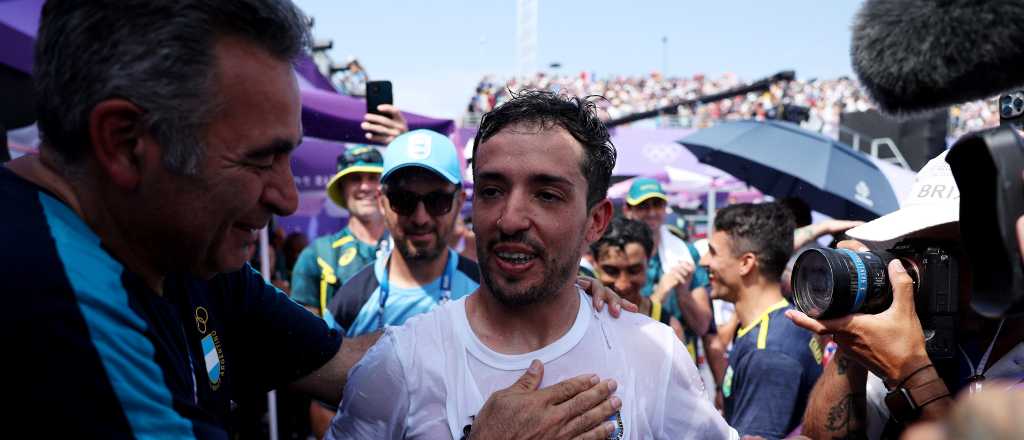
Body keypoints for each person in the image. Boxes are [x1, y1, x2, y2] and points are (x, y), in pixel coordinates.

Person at [4, 2, 635, 438]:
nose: (285, 196)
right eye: (261, 159)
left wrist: (537, 308)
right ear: (123, 142)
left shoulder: (186, 254)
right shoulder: (52, 303)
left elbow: (354, 363)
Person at [327, 90, 737, 439]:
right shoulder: (400, 364)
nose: (510, 219)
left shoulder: (653, 353)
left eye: (547, 195)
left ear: (596, 221)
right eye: (492, 190)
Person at [789, 151, 1024, 439]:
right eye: (915, 248)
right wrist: (852, 339)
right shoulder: (911, 338)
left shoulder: (909, 356)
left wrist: (915, 375)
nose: (920, 268)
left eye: (944, 255)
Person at [328, 129, 479, 335]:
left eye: (437, 201)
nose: (420, 218)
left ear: (459, 202)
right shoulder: (350, 303)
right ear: (382, 202)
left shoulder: (486, 292)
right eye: (403, 200)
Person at [700, 202, 823, 439]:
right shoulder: (779, 320)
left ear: (746, 263)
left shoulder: (767, 353)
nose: (705, 261)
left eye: (713, 252)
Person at [291, 145, 388, 316]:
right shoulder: (317, 254)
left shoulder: (408, 246)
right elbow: (303, 334)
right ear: (342, 189)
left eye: (373, 177)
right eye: (355, 179)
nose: (365, 186)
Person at [623, 177, 713, 336]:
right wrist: (661, 293)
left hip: (679, 354)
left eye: (657, 205)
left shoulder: (686, 252)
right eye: (643, 206)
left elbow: (702, 327)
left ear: (665, 208)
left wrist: (683, 293)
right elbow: (620, 324)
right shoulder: (616, 255)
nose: (651, 213)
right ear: (627, 210)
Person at [592, 217, 685, 340]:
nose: (622, 284)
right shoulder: (578, 316)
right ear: (595, 265)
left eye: (634, 270)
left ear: (648, 264)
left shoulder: (669, 329)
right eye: (611, 271)